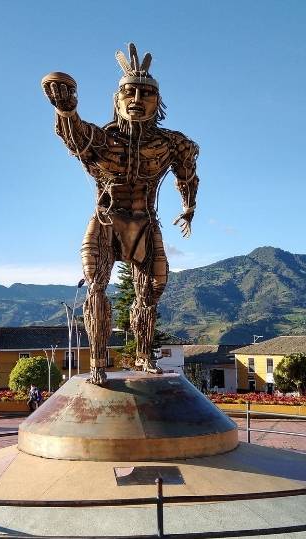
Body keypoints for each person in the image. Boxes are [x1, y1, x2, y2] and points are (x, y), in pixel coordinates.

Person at [44, 43, 200, 385]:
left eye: (146, 93)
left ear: (157, 102)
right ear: (117, 100)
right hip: (106, 221)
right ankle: (98, 362)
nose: (137, 99)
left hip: (145, 222)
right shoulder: (104, 140)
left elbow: (187, 175)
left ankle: (144, 355)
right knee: (96, 287)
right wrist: (66, 111)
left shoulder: (172, 144)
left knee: (152, 290)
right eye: (129, 92)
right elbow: (76, 137)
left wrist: (188, 207)